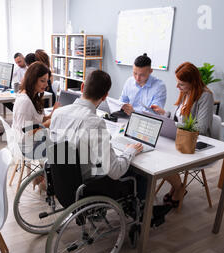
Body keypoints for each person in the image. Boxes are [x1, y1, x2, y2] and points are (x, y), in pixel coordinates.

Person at [49, 70, 172, 215]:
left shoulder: (58, 113)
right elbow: (115, 171)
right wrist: (130, 151)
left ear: (82, 87)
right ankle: (143, 213)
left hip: (64, 181)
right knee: (140, 173)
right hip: (87, 184)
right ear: (105, 96)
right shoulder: (94, 122)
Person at [161, 62, 214, 207]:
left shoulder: (205, 96)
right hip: (181, 138)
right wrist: (165, 115)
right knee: (157, 153)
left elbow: (201, 128)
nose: (178, 87)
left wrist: (176, 125)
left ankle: (179, 188)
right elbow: (180, 118)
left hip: (195, 143)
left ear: (193, 82)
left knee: (162, 159)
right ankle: (178, 186)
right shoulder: (187, 92)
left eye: (181, 84)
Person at [12, 61, 59, 159]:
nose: (46, 85)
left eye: (47, 81)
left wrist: (52, 115)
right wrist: (46, 125)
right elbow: (27, 132)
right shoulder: (25, 101)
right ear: (32, 79)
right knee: (65, 146)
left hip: (29, 142)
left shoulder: (31, 95)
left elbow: (36, 120)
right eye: (42, 81)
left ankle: (46, 172)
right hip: (27, 147)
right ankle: (48, 173)